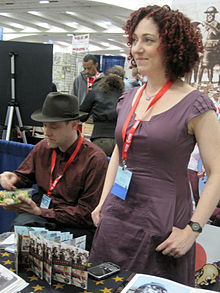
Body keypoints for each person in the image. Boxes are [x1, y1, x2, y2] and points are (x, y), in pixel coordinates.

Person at [89, 5, 220, 286]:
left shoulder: (196, 105)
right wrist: (103, 202)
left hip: (164, 222)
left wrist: (193, 230)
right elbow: (118, 153)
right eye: (135, 40)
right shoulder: (128, 98)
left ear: (173, 47)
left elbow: (217, 173)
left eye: (148, 40)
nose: (138, 48)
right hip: (117, 216)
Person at [0, 92, 108, 251]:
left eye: (54, 127)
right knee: (21, 228)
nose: (47, 132)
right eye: (44, 125)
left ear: (73, 124)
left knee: (53, 244)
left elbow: (86, 215)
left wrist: (41, 211)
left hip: (75, 227)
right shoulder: (43, 147)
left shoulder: (95, 159)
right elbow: (24, 176)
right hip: (41, 217)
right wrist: (12, 177)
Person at [80, 66, 125, 156]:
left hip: (100, 138)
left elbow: (82, 115)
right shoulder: (125, 95)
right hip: (119, 141)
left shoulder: (96, 91)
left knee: (98, 168)